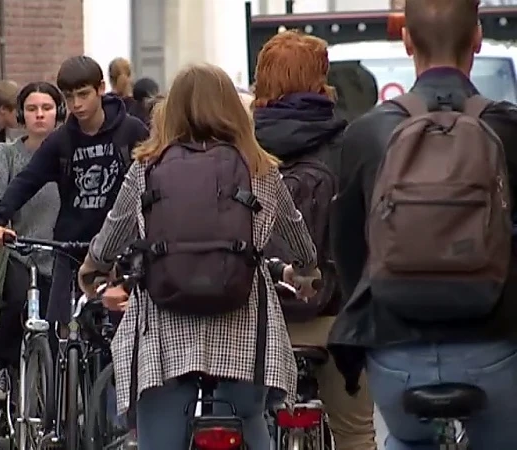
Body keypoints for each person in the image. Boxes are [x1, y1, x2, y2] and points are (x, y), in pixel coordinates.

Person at [76, 63, 319, 449]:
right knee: (249, 414)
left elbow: (111, 235)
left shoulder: (147, 168)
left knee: (160, 425)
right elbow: (296, 234)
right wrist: (306, 272)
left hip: (164, 324)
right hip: (241, 319)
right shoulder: (259, 169)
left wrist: (93, 272)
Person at [328, 1, 517, 448]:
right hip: (495, 350)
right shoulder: (509, 128)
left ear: (407, 39)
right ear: (477, 37)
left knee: (404, 438)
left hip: (397, 354)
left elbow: (349, 255)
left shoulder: (366, 134)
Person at [252, 31, 376, 450]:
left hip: (258, 326)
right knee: (355, 434)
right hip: (337, 320)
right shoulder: (352, 144)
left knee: (244, 426)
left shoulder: (240, 149)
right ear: (321, 79)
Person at [0, 55, 149, 324]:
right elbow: (27, 181)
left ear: (101, 88)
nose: (76, 104)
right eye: (69, 97)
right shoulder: (61, 141)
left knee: (124, 333)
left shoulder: (131, 131)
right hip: (71, 249)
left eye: (83, 94)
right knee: (57, 329)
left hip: (122, 250)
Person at [0, 81, 63, 402]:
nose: (39, 115)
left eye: (47, 108)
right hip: (19, 251)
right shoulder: (6, 154)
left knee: (63, 329)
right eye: (32, 109)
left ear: (58, 112)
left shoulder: (69, 154)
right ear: (21, 113)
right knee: (18, 295)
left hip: (62, 255)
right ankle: (1, 368)